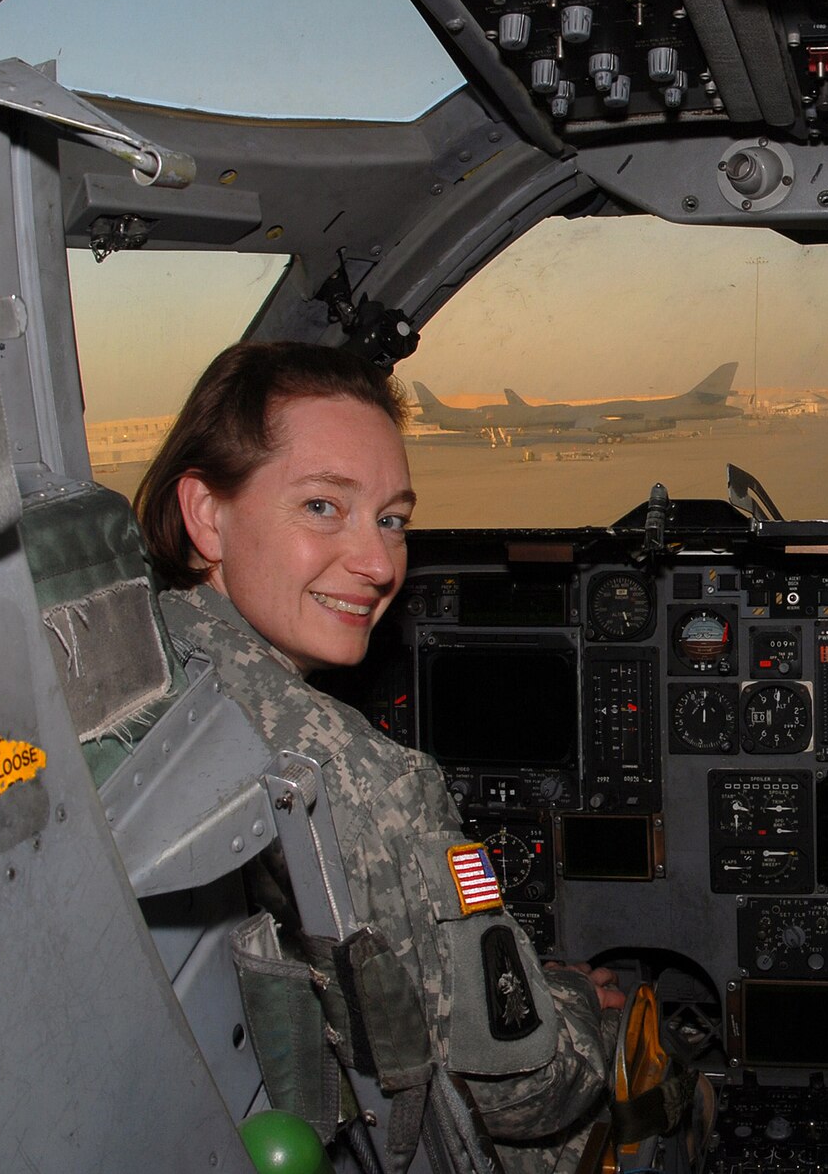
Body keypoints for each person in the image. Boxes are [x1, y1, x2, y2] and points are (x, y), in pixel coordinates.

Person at [134, 341, 619, 1172]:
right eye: (324, 505)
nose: (378, 562)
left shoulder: (148, 675)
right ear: (206, 513)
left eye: (392, 518)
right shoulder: (351, 776)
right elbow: (519, 1084)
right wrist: (583, 1002)